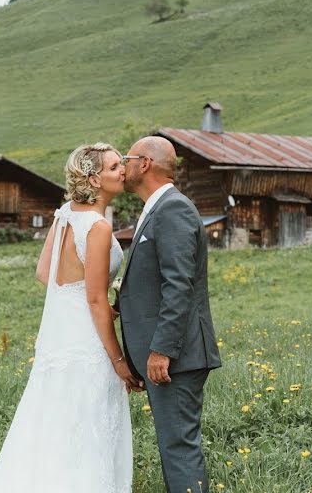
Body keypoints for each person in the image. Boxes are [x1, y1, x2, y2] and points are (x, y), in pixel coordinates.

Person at [0, 143, 140, 493]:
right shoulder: (97, 227)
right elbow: (96, 299)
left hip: (62, 333)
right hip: (88, 337)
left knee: (54, 422)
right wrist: (118, 360)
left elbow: (45, 272)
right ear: (94, 179)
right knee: (88, 426)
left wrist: (74, 293)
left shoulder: (66, 213)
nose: (123, 171)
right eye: (115, 167)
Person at [117, 136, 222, 493]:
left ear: (144, 163)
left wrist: (162, 349)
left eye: (127, 159)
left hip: (178, 355)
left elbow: (179, 285)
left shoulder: (173, 209)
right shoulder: (157, 208)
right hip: (171, 354)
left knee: (179, 448)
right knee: (173, 446)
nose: (123, 165)